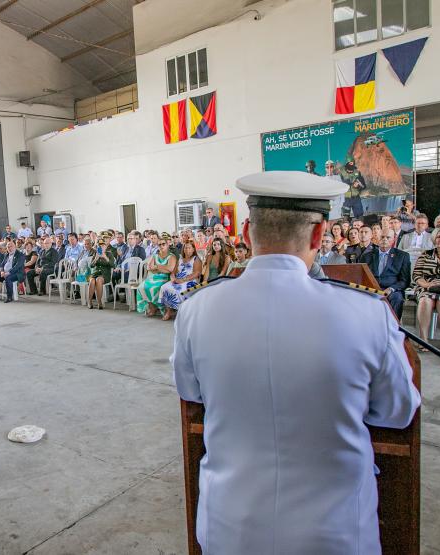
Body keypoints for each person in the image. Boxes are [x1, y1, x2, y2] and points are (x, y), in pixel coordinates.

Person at [172, 171, 419, 555]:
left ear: (246, 229)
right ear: (320, 235)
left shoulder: (196, 309)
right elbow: (398, 412)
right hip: (334, 534)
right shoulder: (367, 312)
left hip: (230, 529)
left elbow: (191, 394)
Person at [359, 229, 411, 319]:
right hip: (371, 288)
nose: (384, 239)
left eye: (388, 237)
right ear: (377, 239)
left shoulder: (402, 256)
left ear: (393, 240)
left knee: (397, 298)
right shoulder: (366, 256)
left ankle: (393, 327)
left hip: (392, 289)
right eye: (382, 237)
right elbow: (361, 276)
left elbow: (405, 280)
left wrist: (391, 289)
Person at [159, 241, 202, 320]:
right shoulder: (181, 259)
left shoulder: (196, 259)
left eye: (189, 248)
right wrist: (172, 278)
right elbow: (174, 272)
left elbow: (197, 273)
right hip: (177, 280)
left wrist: (183, 280)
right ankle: (169, 311)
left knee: (179, 290)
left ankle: (181, 312)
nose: (187, 250)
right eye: (185, 247)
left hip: (190, 280)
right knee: (164, 287)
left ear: (193, 249)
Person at [137, 234, 175, 317]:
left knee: (156, 287)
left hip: (166, 278)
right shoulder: (155, 255)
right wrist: (163, 268)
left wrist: (157, 267)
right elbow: (149, 267)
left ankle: (165, 310)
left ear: (167, 245)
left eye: (163, 244)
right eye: (159, 244)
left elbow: (170, 269)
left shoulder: (171, 256)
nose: (161, 246)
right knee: (142, 286)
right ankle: (152, 308)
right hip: (154, 277)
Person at [86, 237, 116, 309]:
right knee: (92, 281)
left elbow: (113, 265)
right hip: (95, 274)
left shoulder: (109, 254)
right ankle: (89, 301)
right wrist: (96, 258)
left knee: (99, 280)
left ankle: (99, 302)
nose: (101, 247)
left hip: (105, 275)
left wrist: (105, 257)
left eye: (103, 246)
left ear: (106, 246)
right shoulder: (95, 254)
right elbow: (91, 266)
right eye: (99, 246)